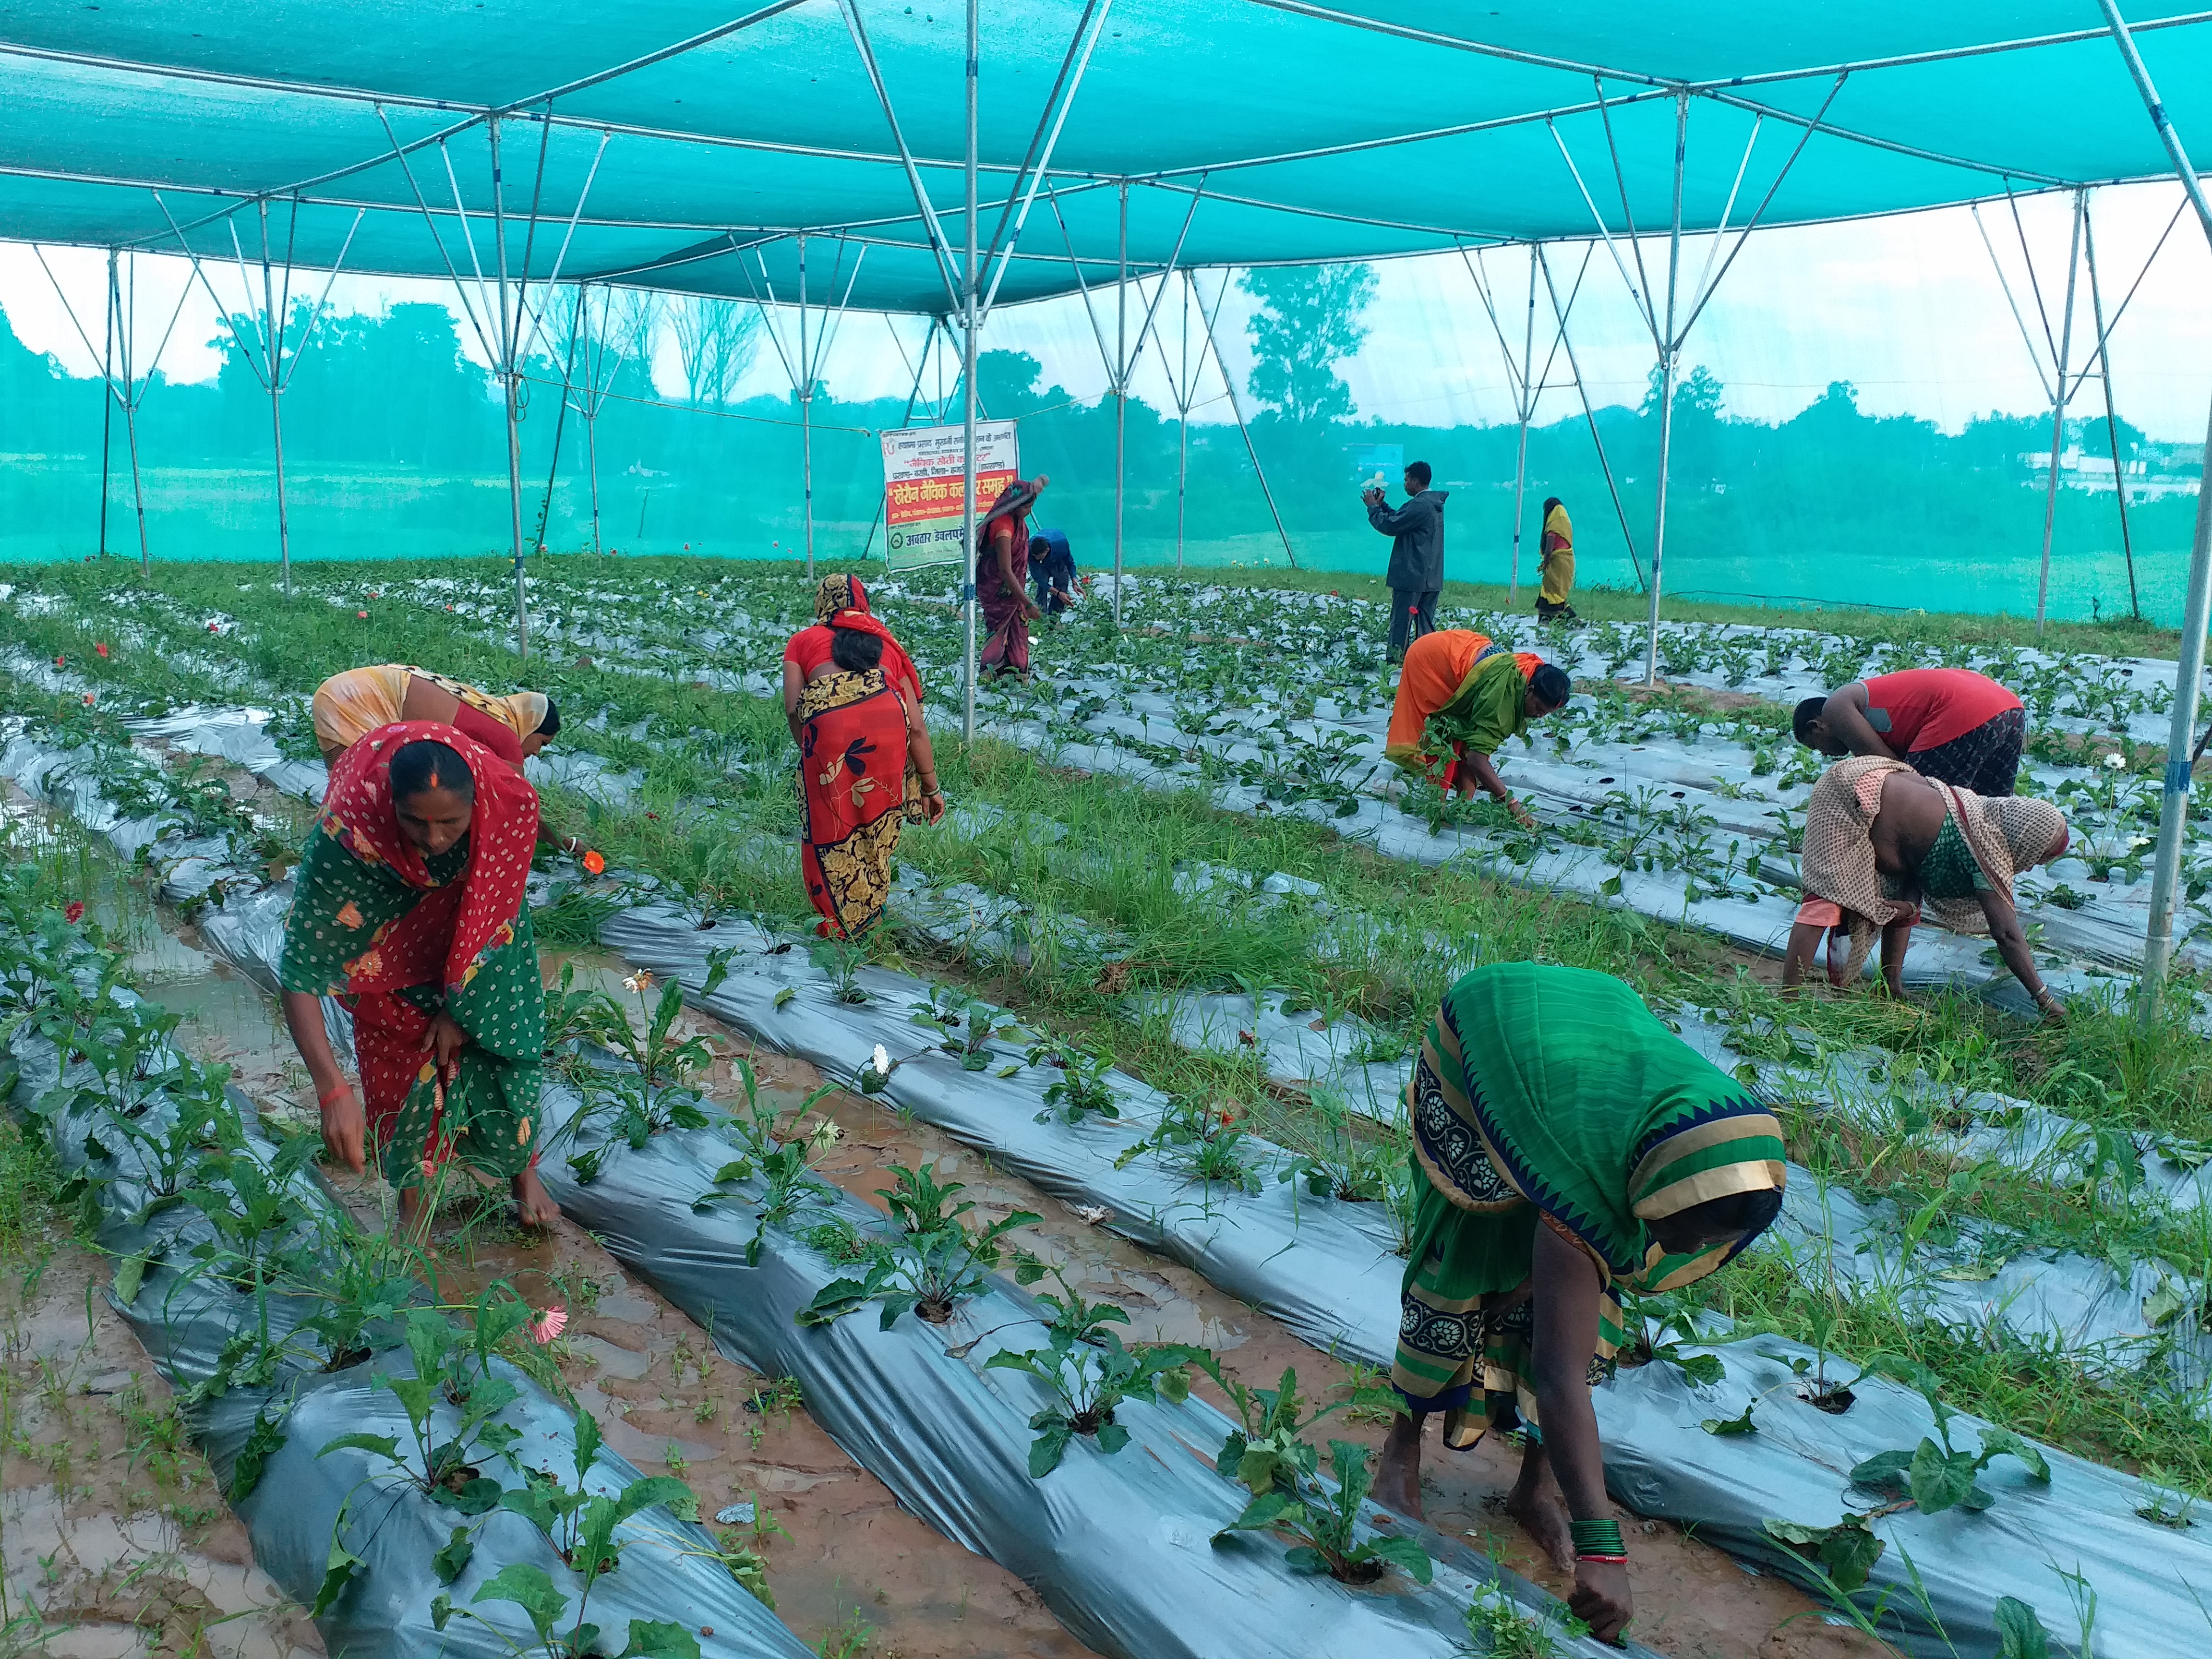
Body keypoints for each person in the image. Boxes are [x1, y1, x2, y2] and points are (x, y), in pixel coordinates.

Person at [1374, 962, 1786, 1645]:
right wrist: (1605, 1549)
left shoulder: (1713, 1150)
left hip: (1591, 1065)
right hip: (1493, 1043)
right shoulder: (1596, 1166)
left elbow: (1579, 1333)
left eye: (1685, 1237)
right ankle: (1399, 1453)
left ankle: (1535, 1488)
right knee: (1465, 1266)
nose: (1663, 1242)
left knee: (1589, 1307)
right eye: (1667, 1225)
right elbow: (1562, 1383)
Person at [276, 722, 556, 1229]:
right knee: (398, 1071)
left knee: (502, 1054)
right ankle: (414, 1207)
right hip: (385, 946)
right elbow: (300, 969)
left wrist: (460, 1009)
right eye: (414, 822)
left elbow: (501, 915)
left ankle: (523, 1175)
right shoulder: (348, 833)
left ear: (477, 806)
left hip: (483, 933)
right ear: (389, 805)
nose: (432, 839)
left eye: (450, 822)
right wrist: (332, 1091)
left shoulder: (508, 806)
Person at [1788, 755, 2070, 1016]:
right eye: (2040, 856)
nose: (2032, 865)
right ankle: (1786, 998)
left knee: (1908, 907)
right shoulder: (1983, 848)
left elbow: (1919, 862)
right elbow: (2007, 934)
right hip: (1848, 794)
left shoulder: (1983, 815)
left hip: (1886, 783)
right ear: (2027, 839)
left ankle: (1891, 986)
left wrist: (1908, 905)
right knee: (1824, 899)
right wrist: (2045, 999)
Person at [795, 616, 947, 938]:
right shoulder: (887, 645)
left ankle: (837, 923)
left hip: (827, 732)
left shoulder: (803, 640)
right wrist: (930, 786)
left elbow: (793, 709)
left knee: (832, 825)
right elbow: (917, 728)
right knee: (876, 821)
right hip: (887, 732)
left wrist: (812, 751)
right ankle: (870, 914)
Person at [1384, 630, 1572, 827]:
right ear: (1530, 691)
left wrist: (1464, 808)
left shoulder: (1531, 673)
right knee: (1445, 734)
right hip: (1432, 661)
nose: (1539, 716)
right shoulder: (1500, 698)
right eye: (1539, 709)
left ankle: (1460, 809)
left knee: (1467, 738)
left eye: (1545, 714)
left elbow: (1475, 749)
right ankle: (1436, 809)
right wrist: (1513, 804)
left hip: (1457, 652)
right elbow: (1477, 760)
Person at [1793, 667, 2024, 797]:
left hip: (1963, 711)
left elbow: (1893, 771)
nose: (1824, 754)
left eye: (1815, 745)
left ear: (1816, 726)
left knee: (1919, 803)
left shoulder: (1835, 707)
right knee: (1990, 811)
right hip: (2010, 710)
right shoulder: (1871, 709)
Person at [310, 664, 559, 768]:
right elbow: (521, 804)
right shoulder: (506, 738)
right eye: (542, 743)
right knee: (359, 792)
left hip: (342, 690)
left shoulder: (487, 709)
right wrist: (566, 844)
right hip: (357, 698)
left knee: (346, 787)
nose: (537, 752)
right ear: (532, 725)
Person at [1364, 462, 1448, 661]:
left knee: (1401, 624)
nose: (1405, 484)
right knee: (1425, 626)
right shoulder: (1431, 504)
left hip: (1411, 576)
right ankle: (1424, 662)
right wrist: (1382, 506)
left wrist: (1372, 509)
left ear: (1415, 481)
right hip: (1431, 576)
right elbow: (1402, 519)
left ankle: (1395, 663)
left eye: (1406, 480)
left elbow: (1391, 525)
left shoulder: (1420, 505)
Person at [976, 475, 1049, 680]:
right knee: (998, 630)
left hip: (1013, 589)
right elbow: (1006, 571)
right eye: (1027, 508)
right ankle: (990, 676)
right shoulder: (1004, 528)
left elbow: (1044, 480)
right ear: (1015, 504)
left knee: (1018, 629)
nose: (1029, 512)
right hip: (998, 587)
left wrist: (1040, 483)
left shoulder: (1016, 519)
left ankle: (1016, 676)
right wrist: (1027, 603)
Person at [1535, 497, 1577, 623]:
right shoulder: (1566, 526)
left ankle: (1563, 619)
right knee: (1558, 594)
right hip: (1568, 563)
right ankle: (1571, 619)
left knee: (1550, 594)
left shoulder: (1553, 530)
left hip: (1557, 564)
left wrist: (1544, 565)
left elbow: (1549, 552)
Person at [1029, 528, 1078, 615]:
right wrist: (1057, 593)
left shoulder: (1061, 545)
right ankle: (1040, 615)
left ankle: (1054, 618)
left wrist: (1074, 580)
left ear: (1047, 550)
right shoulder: (1029, 548)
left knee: (1062, 581)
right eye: (1034, 556)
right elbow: (1038, 578)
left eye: (1039, 556)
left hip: (1057, 557)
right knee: (1042, 584)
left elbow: (1069, 562)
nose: (1036, 559)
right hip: (1043, 562)